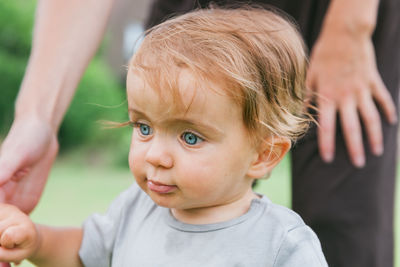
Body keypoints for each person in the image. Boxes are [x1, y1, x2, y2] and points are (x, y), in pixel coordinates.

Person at [0, 0, 398, 267]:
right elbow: (84, 252)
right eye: (143, 127)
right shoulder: (137, 210)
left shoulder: (282, 244)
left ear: (263, 154)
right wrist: (35, 241)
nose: (155, 154)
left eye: (190, 137)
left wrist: (353, 24)